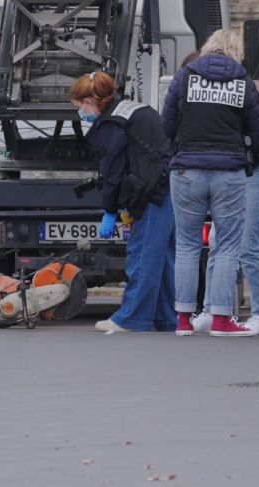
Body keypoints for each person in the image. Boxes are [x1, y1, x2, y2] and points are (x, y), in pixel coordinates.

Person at [162, 29, 259, 337]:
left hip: (187, 170)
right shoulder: (243, 82)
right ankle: (222, 320)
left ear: (207, 48)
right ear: (236, 51)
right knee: (226, 245)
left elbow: (166, 125)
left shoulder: (184, 77)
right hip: (229, 173)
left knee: (186, 245)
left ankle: (184, 320)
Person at [68, 71, 177, 333]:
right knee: (162, 259)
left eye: (80, 105)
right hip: (171, 186)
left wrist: (110, 210)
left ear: (93, 99)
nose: (80, 112)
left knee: (143, 255)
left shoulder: (111, 123)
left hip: (155, 192)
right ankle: (165, 318)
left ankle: (132, 318)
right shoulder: (132, 108)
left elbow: (113, 171)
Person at [199, 88, 259, 335]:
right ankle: (212, 309)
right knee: (217, 242)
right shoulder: (215, 96)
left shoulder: (240, 92)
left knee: (247, 245)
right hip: (237, 171)